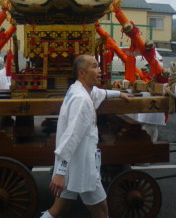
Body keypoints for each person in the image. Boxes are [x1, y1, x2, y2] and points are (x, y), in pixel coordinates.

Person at [41, 54, 134, 218]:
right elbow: (71, 137)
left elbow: (100, 93)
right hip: (82, 168)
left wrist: (119, 94)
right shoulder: (82, 100)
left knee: (58, 210)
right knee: (102, 211)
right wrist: (60, 172)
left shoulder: (78, 90)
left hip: (73, 166)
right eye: (94, 66)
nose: (99, 70)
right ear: (82, 73)